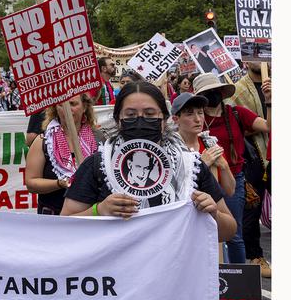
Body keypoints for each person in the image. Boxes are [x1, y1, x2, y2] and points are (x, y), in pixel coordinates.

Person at [60, 82, 237, 242]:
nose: (140, 120)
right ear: (118, 120)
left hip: (175, 273)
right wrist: (99, 211)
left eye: (150, 114)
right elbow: (64, 228)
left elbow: (228, 231)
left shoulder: (191, 166)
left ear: (164, 118)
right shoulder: (98, 165)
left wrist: (213, 214)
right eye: (130, 114)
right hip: (118, 274)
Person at [193, 72, 270, 264]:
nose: (213, 94)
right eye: (207, 92)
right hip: (202, 182)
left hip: (233, 182)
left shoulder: (236, 113)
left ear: (222, 91)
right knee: (202, 232)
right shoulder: (195, 118)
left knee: (233, 234)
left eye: (215, 90)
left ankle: (236, 279)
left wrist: (269, 102)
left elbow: (268, 126)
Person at [24, 94, 102, 215]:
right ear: (55, 108)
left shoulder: (98, 140)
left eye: (73, 104)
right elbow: (31, 183)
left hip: (88, 216)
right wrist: (59, 183)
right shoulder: (44, 141)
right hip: (52, 217)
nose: (67, 109)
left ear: (85, 107)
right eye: (62, 105)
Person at [230, 61, 272, 277]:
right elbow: (233, 128)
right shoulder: (237, 89)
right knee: (252, 207)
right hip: (256, 157)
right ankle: (256, 255)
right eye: (255, 55)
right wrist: (252, 124)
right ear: (246, 61)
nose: (263, 59)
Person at [170, 92, 235, 197]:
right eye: (189, 114)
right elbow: (173, 193)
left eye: (200, 112)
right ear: (176, 119)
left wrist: (224, 166)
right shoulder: (171, 149)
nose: (197, 119)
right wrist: (201, 166)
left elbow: (230, 191)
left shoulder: (210, 144)